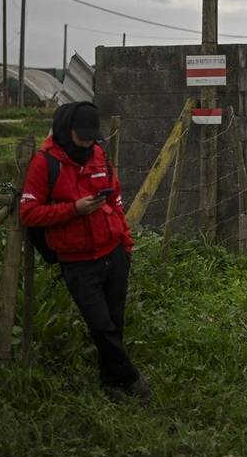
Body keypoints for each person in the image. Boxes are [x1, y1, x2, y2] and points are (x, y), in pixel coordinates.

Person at [19, 102, 151, 404]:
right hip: (77, 260)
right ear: (66, 130)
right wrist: (73, 210)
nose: (89, 142)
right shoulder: (45, 163)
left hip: (113, 252)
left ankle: (110, 383)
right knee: (100, 324)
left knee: (115, 321)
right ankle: (131, 377)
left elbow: (115, 199)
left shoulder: (99, 155)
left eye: (93, 136)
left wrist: (126, 245)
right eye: (83, 136)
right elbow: (28, 213)